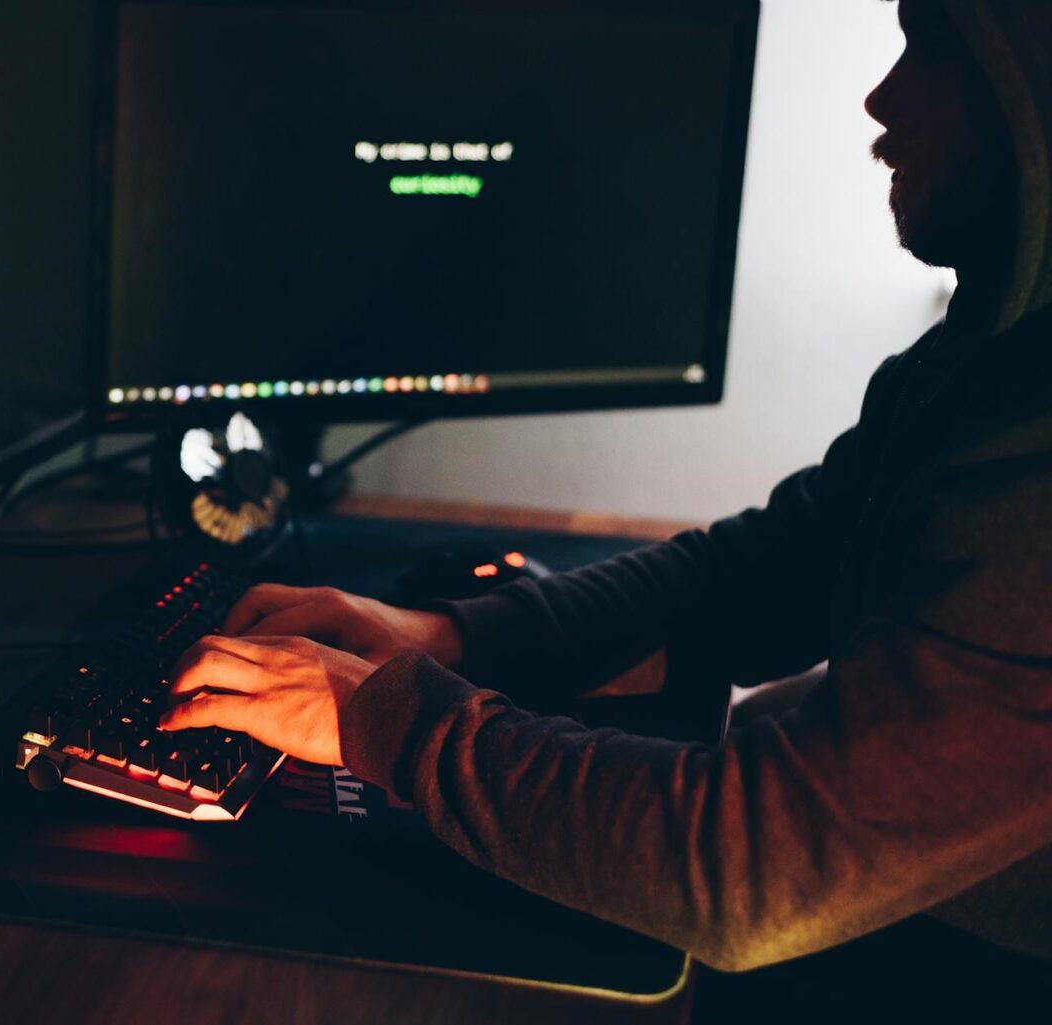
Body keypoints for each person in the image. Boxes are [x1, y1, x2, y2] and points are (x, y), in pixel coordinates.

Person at [161, 0, 1052, 975]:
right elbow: (769, 567)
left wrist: (375, 714)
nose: (882, 101)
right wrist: (446, 637)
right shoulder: (990, 356)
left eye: (937, 52)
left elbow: (749, 871)